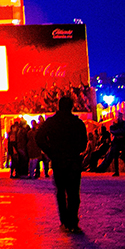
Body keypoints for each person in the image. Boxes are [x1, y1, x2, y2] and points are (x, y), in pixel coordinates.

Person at [35, 96, 88, 234]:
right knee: (73, 192)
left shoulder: (51, 122)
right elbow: (84, 142)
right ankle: (73, 220)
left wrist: (50, 151)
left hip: (58, 160)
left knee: (61, 191)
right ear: (71, 106)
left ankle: (64, 219)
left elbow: (39, 137)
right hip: (73, 160)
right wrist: (77, 150)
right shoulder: (77, 123)